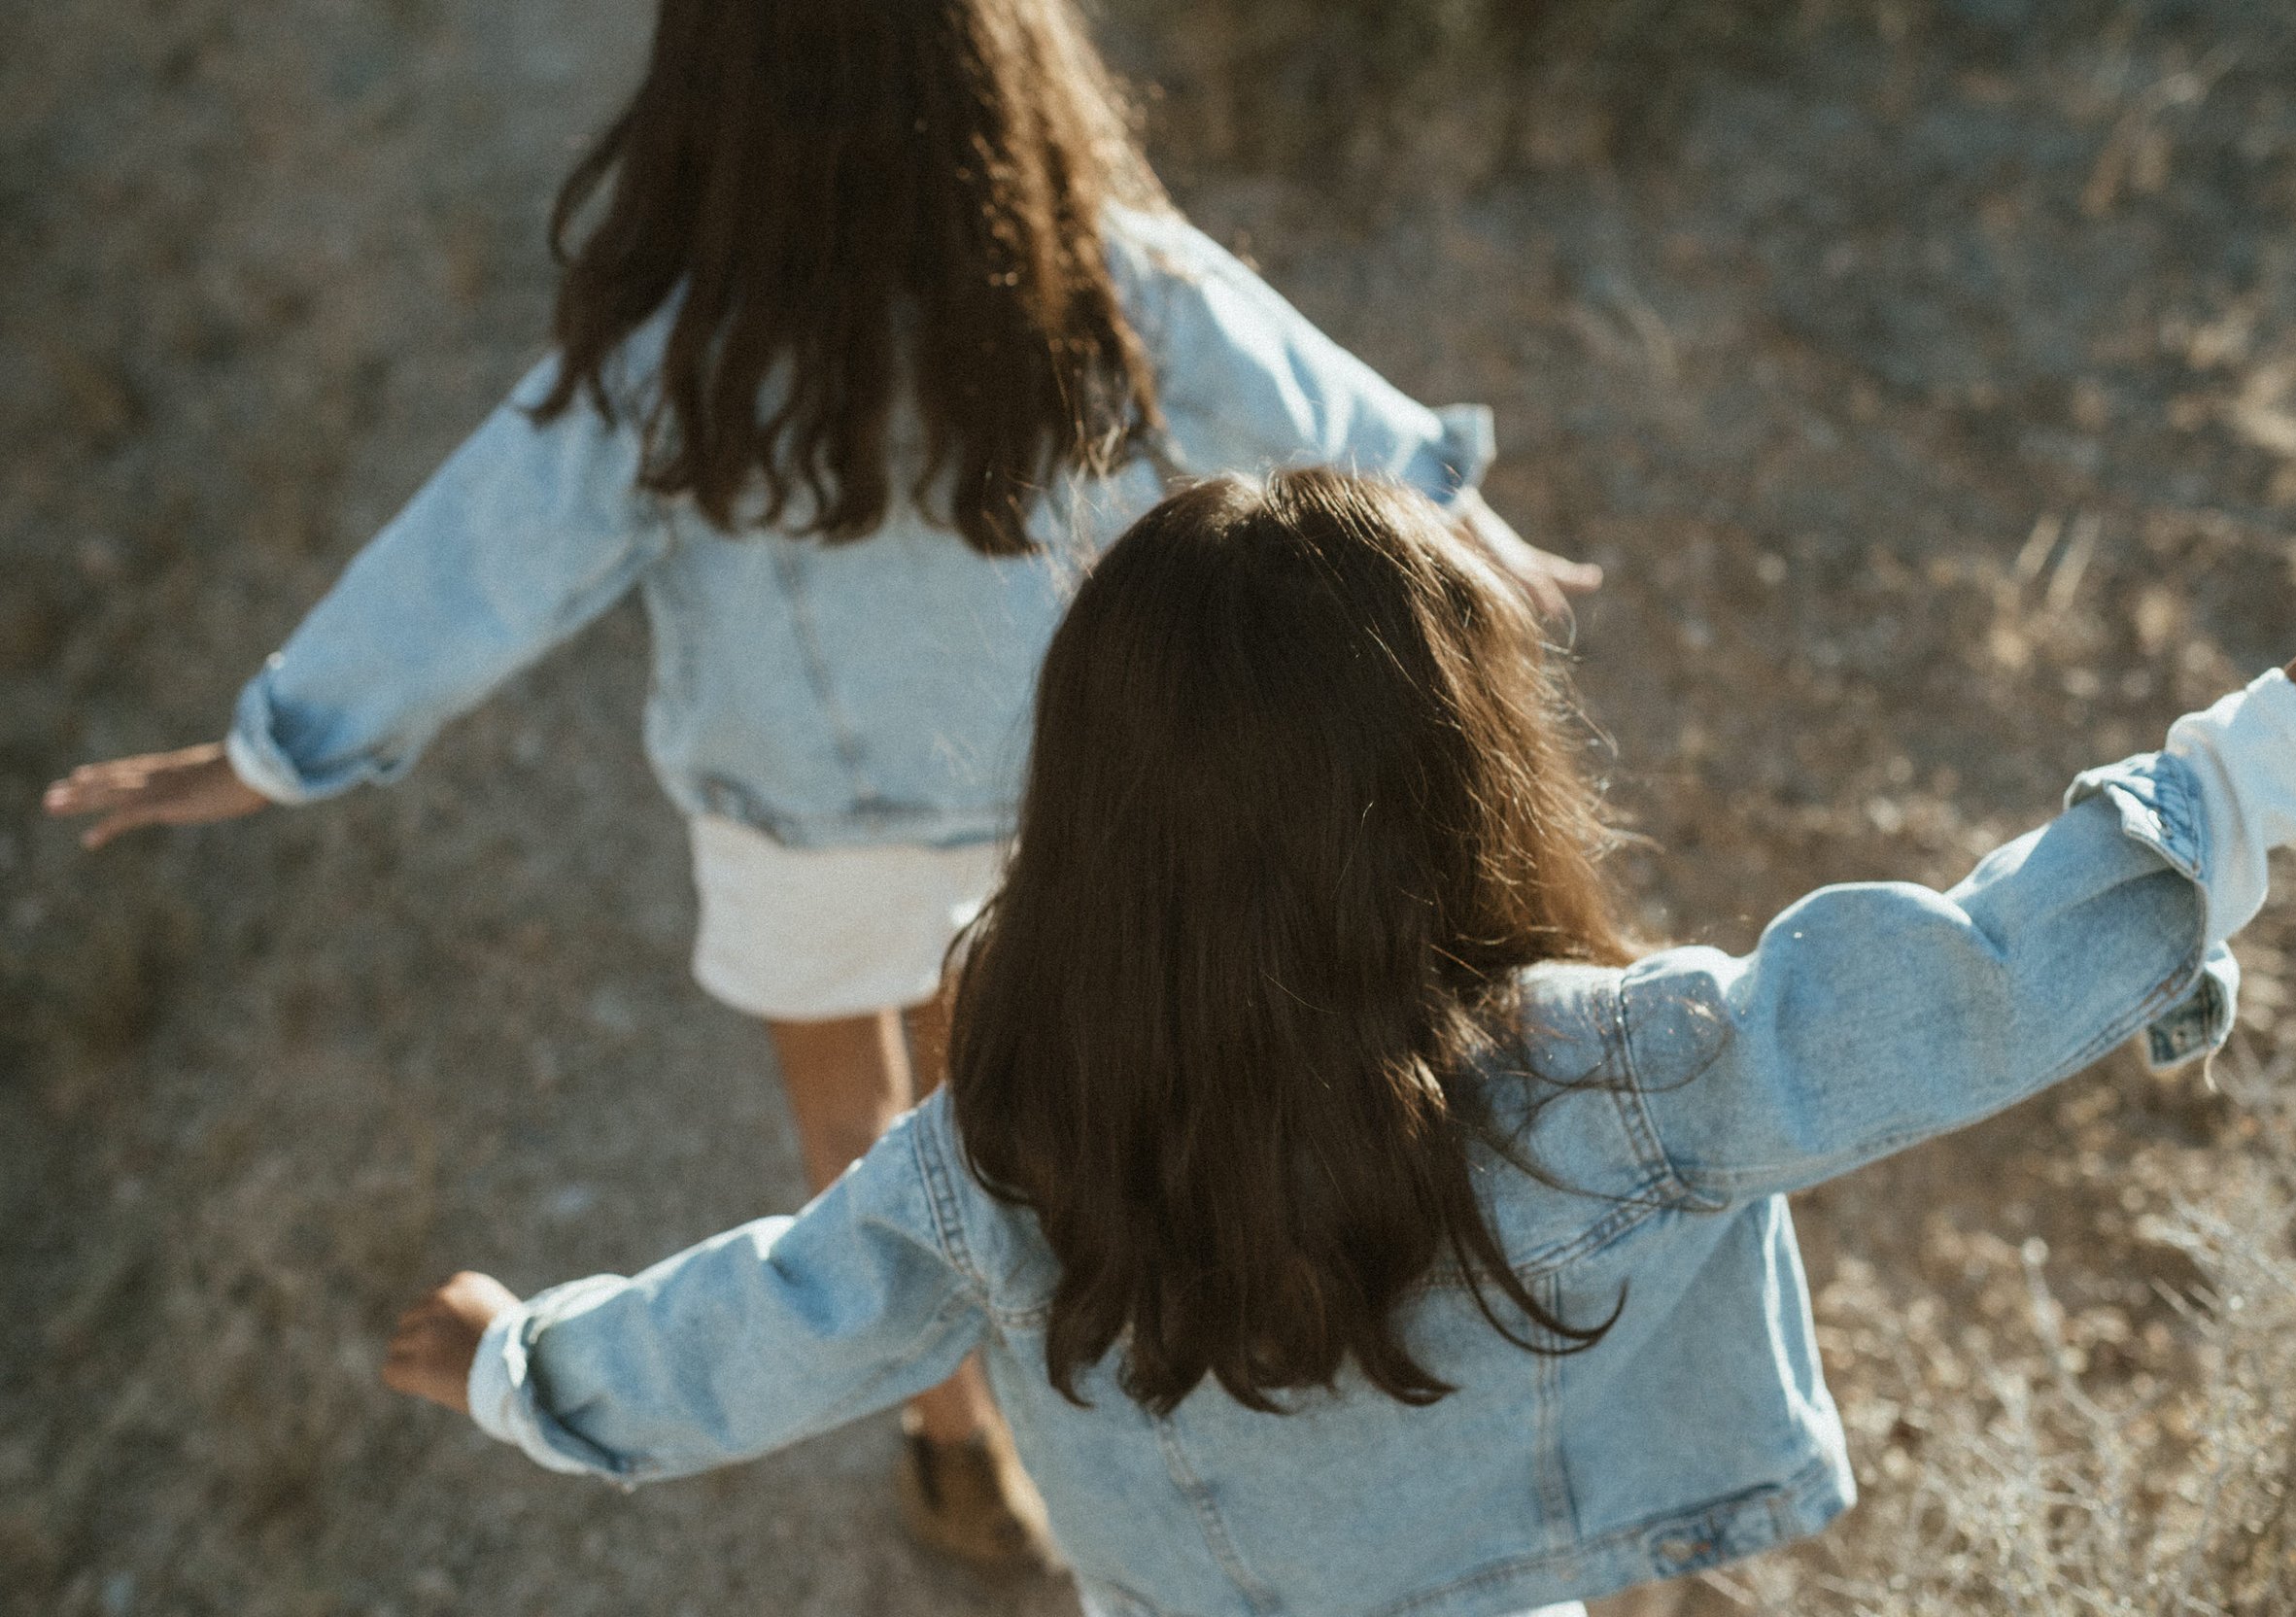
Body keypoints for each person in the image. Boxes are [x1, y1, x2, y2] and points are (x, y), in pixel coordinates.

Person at [40, 0, 1597, 1565]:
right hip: (1057, 805)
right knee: (1029, 1114)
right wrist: (1462, 523)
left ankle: (949, 1449)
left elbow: (479, 557)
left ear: (711, 94)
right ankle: (1089, 1417)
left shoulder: (678, 351)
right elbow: (1336, 418)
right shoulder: (1101, 277)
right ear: (1007, 68)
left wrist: (267, 749)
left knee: (855, 1136)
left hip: (795, 830)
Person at [380, 468, 2296, 1614]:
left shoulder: (1013, 1137)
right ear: (1452, 772)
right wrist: (2231, 786)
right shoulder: (1599, 1076)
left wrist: (514, 1361)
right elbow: (1940, 992)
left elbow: (762, 1323)